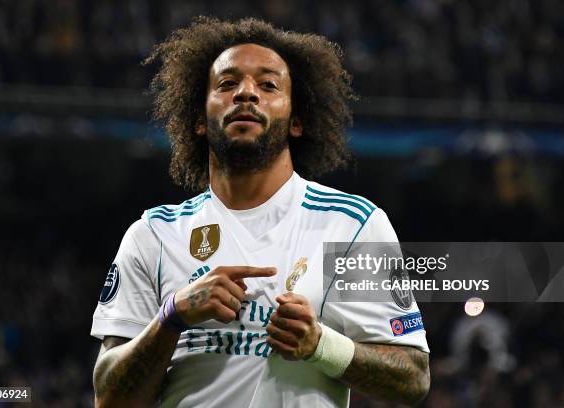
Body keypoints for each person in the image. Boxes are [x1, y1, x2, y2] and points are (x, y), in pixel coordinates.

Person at [91, 17, 430, 407]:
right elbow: (109, 397)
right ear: (199, 119)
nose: (246, 94)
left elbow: (413, 379)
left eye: (268, 85)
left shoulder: (352, 226)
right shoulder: (153, 234)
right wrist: (171, 317)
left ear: (297, 121)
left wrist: (322, 345)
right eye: (227, 84)